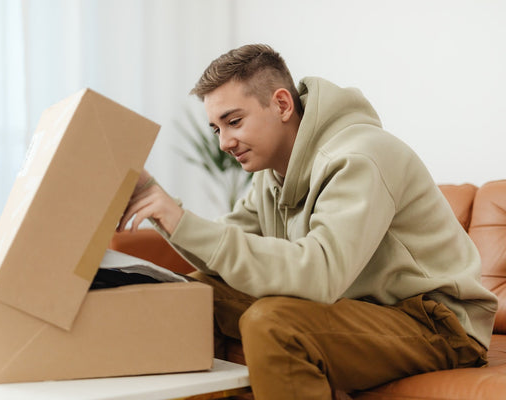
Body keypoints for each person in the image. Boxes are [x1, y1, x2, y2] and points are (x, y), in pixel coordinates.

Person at [117, 44, 498, 400]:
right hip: (358, 310)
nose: (224, 143)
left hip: (436, 324)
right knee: (197, 296)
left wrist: (177, 217)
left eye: (234, 121)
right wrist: (157, 203)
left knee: (273, 324)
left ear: (281, 104)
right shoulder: (272, 175)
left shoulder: (360, 156)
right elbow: (225, 244)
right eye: (217, 129)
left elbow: (320, 273)